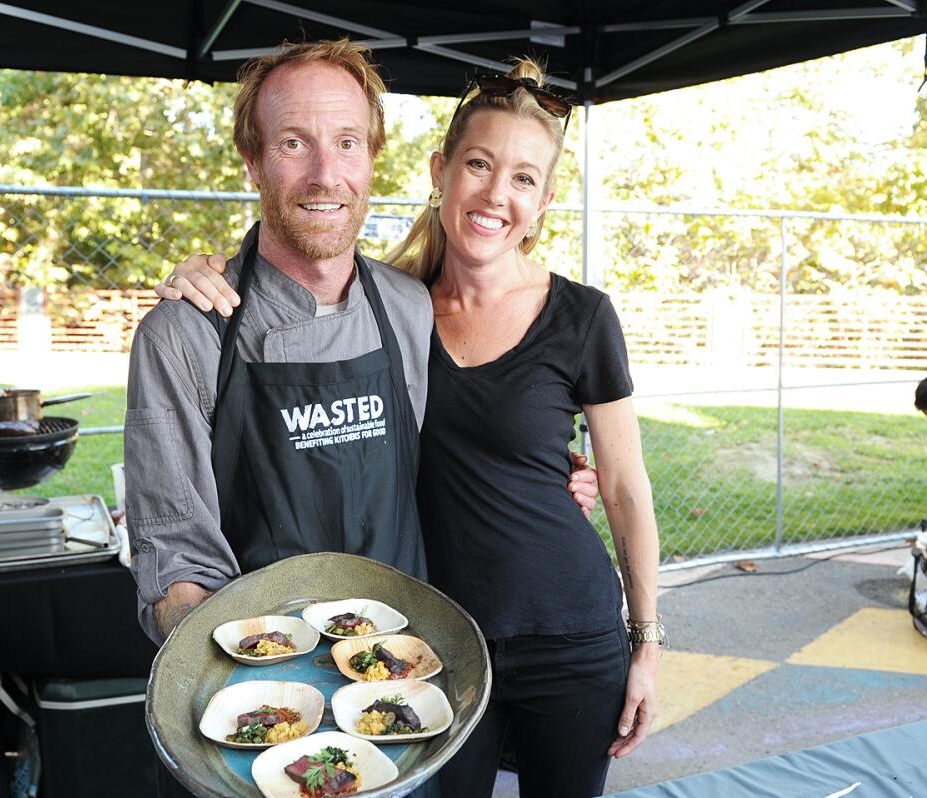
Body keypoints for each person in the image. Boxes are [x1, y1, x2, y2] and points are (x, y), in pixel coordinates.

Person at [159, 57, 661, 798]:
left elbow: (622, 485)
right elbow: (293, 285)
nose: (496, 194)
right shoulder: (391, 308)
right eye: (480, 165)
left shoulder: (582, 316)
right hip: (435, 643)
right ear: (440, 171)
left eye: (524, 178)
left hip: (570, 633)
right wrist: (200, 277)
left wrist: (646, 644)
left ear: (547, 199)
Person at [125, 39, 596, 647]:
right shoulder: (184, 334)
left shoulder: (410, 305)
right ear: (252, 159)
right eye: (294, 143)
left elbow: (469, 444)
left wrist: (555, 473)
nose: (326, 174)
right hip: (263, 685)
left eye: (347, 142)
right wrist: (239, 678)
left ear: (371, 157)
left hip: (408, 667)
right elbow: (175, 557)